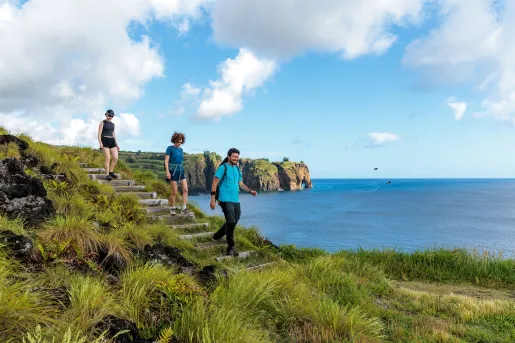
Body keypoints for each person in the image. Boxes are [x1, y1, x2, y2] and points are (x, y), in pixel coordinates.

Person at [210, 148, 257, 256]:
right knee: (231, 222)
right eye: (234, 157)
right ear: (229, 156)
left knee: (234, 220)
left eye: (237, 157)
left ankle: (217, 236)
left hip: (235, 199)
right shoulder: (223, 168)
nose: (236, 159)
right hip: (225, 199)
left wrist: (250, 191)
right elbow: (214, 184)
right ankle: (231, 247)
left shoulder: (237, 169)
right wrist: (213, 199)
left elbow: (240, 184)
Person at [165, 132, 189, 215]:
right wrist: (167, 172)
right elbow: (166, 161)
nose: (180, 143)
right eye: (179, 142)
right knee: (174, 191)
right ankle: (172, 208)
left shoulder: (181, 149)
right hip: (172, 170)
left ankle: (184, 208)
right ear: (175, 140)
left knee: (185, 189)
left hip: (180, 170)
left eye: (181, 142)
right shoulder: (170, 148)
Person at [97, 109, 120, 181]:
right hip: (105, 140)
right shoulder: (102, 123)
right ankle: (107, 175)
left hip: (112, 141)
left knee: (115, 158)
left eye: (112, 115)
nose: (110, 116)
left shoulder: (113, 124)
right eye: (109, 115)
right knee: (108, 158)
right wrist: (100, 143)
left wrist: (117, 144)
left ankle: (111, 172)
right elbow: (99, 134)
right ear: (106, 115)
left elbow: (114, 135)